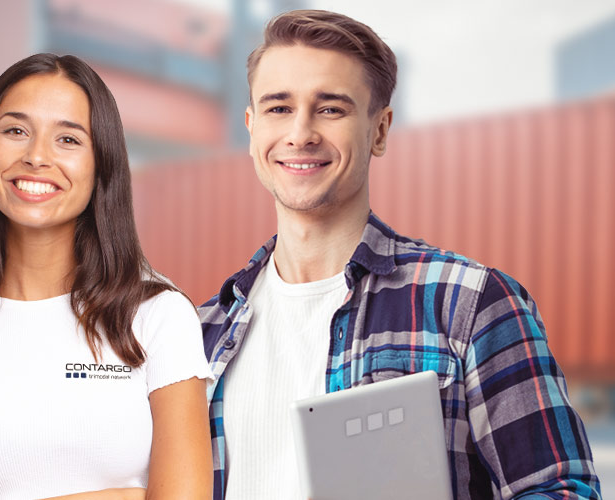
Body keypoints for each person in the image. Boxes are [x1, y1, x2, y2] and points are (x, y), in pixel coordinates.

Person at [198, 9, 601, 499]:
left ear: (381, 130)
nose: (300, 133)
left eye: (331, 109)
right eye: (278, 108)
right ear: (251, 126)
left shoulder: (469, 305)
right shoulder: (203, 333)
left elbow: (562, 490)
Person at [0, 53, 213, 500]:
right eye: (16, 131)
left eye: (68, 140)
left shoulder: (159, 318)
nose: (36, 156)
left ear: (102, 165)